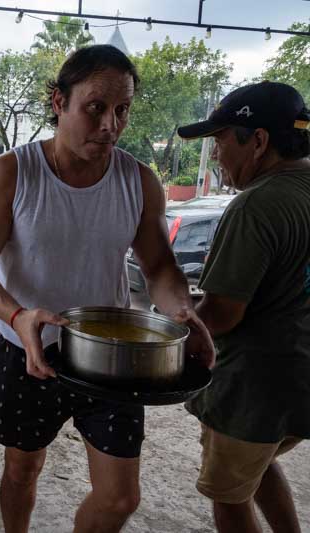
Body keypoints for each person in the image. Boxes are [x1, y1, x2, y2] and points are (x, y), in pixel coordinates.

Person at [0, 45, 215, 532]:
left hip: (113, 356)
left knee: (120, 498)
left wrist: (183, 312)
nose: (110, 125)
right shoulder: (12, 173)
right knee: (22, 468)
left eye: (122, 110)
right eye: (95, 107)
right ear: (59, 101)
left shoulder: (139, 181)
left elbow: (158, 265)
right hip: (26, 349)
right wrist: (18, 316)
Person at [177, 81, 310, 533]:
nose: (215, 154)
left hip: (254, 390)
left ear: (258, 141)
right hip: (301, 382)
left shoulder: (256, 205)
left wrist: (177, 315)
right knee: (260, 463)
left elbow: (222, 314)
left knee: (228, 495)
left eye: (219, 140)